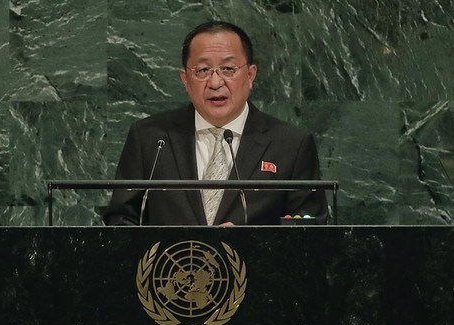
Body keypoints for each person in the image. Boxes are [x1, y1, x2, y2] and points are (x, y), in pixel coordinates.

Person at [103, 21, 327, 226]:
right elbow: (120, 220)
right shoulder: (150, 138)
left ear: (250, 75)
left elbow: (311, 229)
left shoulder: (291, 145)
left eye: (228, 69)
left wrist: (252, 244)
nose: (215, 82)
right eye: (202, 71)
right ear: (185, 79)